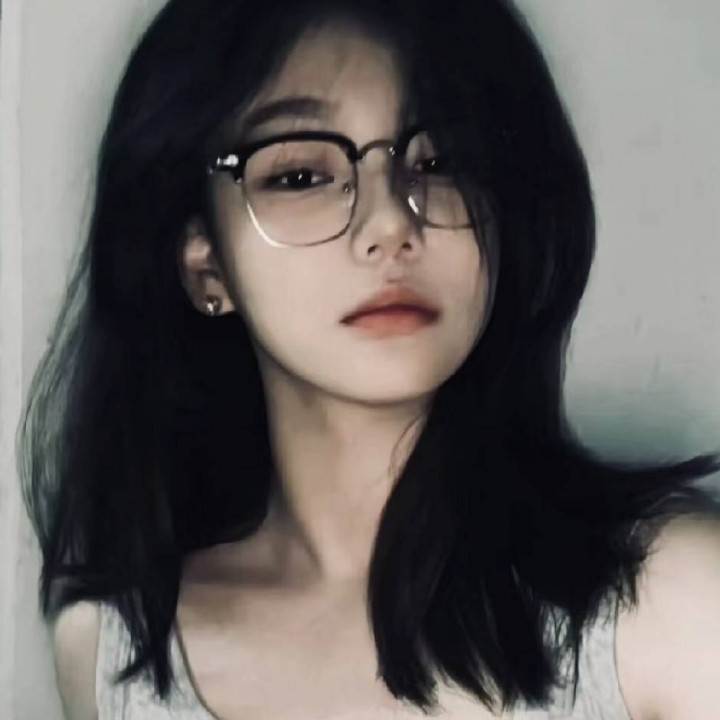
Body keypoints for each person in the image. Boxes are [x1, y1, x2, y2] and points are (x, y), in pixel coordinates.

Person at [18, 0, 720, 718]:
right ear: (205, 264)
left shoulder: (675, 604)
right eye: (300, 175)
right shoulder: (111, 654)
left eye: (440, 161)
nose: (389, 223)